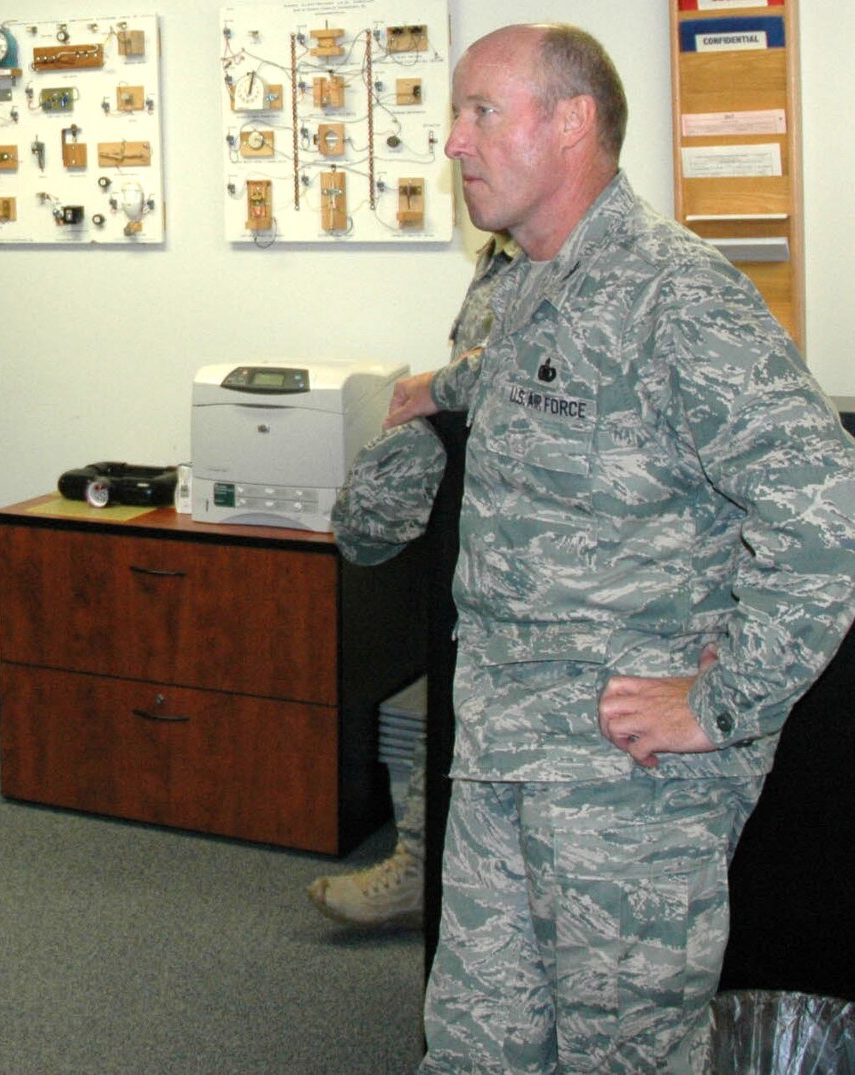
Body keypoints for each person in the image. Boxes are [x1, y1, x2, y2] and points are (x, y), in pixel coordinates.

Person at [362, 23, 855, 1071]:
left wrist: (714, 704)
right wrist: (428, 395)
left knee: (620, 1055)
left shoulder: (677, 295)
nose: (452, 142)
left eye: (480, 111)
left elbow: (828, 521)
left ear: (572, 120)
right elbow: (510, 387)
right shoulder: (508, 286)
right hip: (498, 750)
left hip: (625, 788)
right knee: (469, 1045)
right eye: (454, 114)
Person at [308, 234, 517, 929]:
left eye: (483, 117)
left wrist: (437, 386)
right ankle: (421, 869)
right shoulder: (500, 253)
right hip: (479, 530)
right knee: (452, 707)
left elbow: (537, 370)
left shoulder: (578, 255)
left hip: (544, 553)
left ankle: (446, 883)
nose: (461, 145)